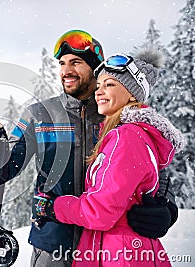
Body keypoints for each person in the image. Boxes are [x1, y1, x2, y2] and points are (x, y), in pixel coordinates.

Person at [0, 30, 178, 267]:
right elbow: (6, 165)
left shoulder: (116, 114)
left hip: (105, 246)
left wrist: (167, 206)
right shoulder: (39, 114)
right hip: (52, 244)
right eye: (62, 63)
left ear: (95, 68)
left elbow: (154, 168)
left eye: (75, 62)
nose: (66, 71)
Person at [33, 50, 185, 266]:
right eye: (99, 85)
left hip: (117, 251)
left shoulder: (126, 134)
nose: (99, 92)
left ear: (132, 93)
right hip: (79, 244)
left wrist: (52, 207)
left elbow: (100, 211)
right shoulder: (119, 129)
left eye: (109, 84)